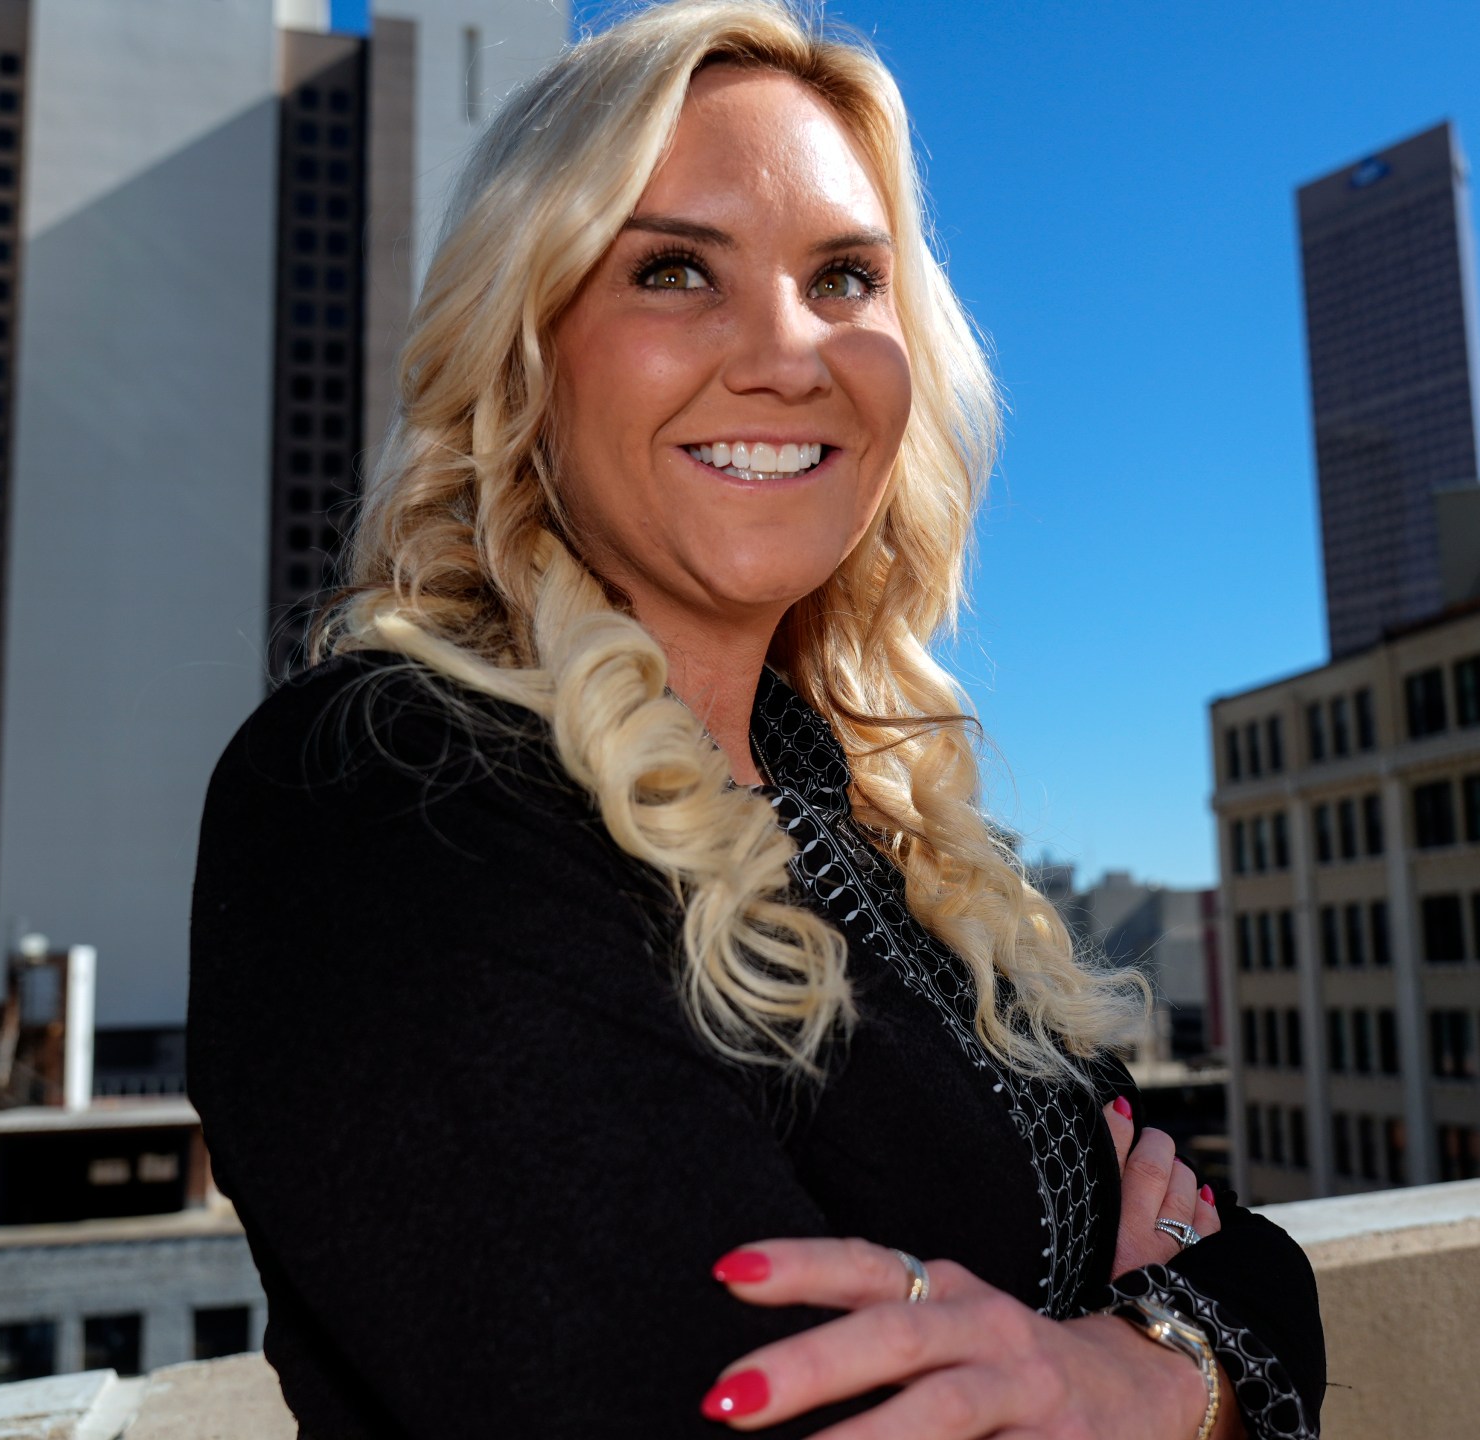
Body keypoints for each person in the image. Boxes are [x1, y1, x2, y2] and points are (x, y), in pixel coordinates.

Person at [186, 2, 1326, 1435]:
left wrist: (1150, 1369)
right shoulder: (385, 788)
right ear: (523, 353)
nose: (789, 356)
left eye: (846, 278)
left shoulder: (876, 817)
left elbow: (1247, 1251)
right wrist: (1135, 1329)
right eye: (672, 269)